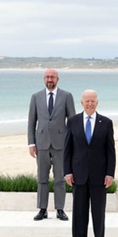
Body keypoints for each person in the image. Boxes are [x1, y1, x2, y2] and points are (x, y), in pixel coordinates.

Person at [64, 90, 116, 237]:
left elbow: (110, 151)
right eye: (87, 101)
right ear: (81, 102)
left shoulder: (106, 123)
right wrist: (67, 172)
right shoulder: (72, 122)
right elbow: (67, 150)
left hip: (99, 176)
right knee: (79, 214)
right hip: (78, 175)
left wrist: (110, 173)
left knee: (98, 214)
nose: (90, 104)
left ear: (97, 103)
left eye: (93, 101)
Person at [27, 68, 76, 221]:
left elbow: (72, 121)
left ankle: (60, 209)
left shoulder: (67, 96)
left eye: (52, 77)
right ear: (44, 79)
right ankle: (42, 209)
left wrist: (71, 143)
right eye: (47, 77)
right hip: (41, 144)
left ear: (57, 79)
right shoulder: (36, 97)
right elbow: (31, 121)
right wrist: (31, 143)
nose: (50, 79)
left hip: (61, 144)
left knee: (60, 178)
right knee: (42, 178)